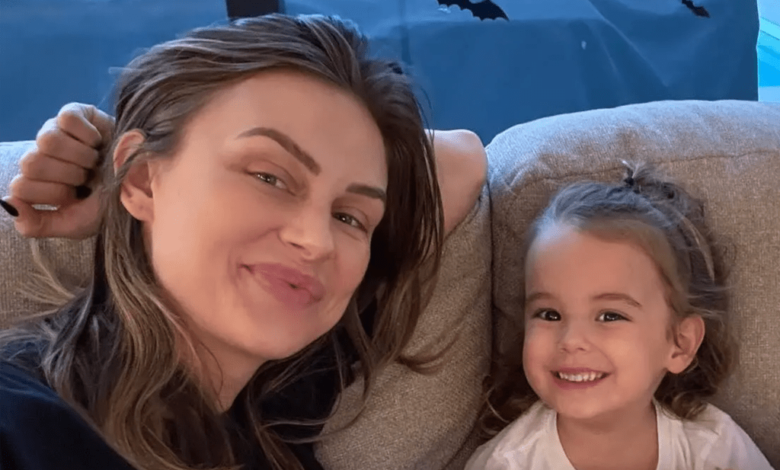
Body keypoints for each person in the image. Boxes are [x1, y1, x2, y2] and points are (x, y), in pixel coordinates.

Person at [0, 14, 487, 470]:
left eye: (348, 216)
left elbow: (462, 160)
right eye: (269, 177)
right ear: (145, 177)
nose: (316, 240)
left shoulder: (281, 395)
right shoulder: (23, 422)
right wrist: (118, 180)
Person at [466, 164, 773, 470]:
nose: (571, 340)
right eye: (549, 314)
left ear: (680, 343)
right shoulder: (506, 463)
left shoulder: (715, 450)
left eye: (610, 316)